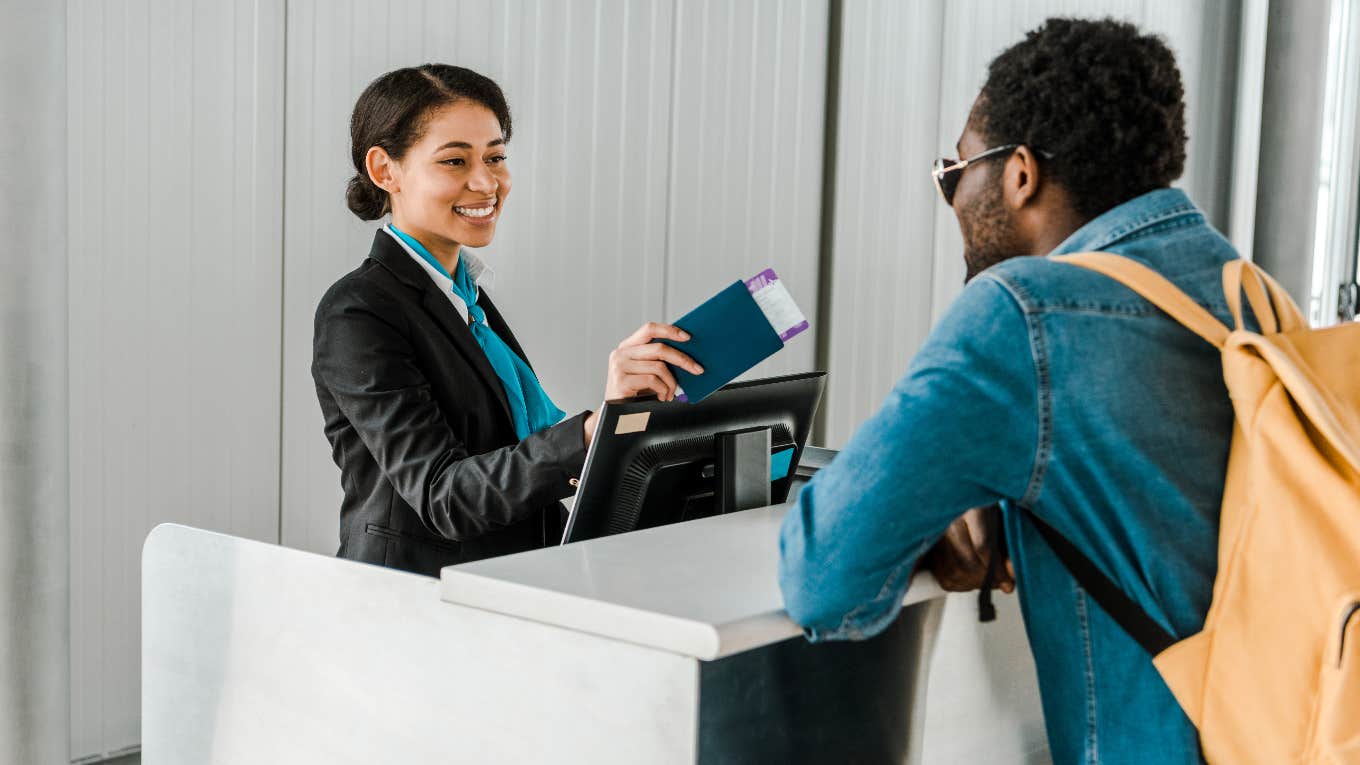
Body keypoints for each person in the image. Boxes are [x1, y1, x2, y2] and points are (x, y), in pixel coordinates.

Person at [779, 18, 1239, 764]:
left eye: (956, 169)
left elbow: (823, 576)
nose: (953, 195)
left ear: (1020, 173)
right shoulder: (1241, 288)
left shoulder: (1021, 312)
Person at [313, 64, 701, 577]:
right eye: (455, 160)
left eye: (495, 157)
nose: (486, 182)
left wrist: (616, 411)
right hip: (413, 607)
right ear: (386, 171)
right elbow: (444, 495)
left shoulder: (463, 297)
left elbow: (510, 456)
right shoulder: (358, 311)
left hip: (503, 588)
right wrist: (587, 433)